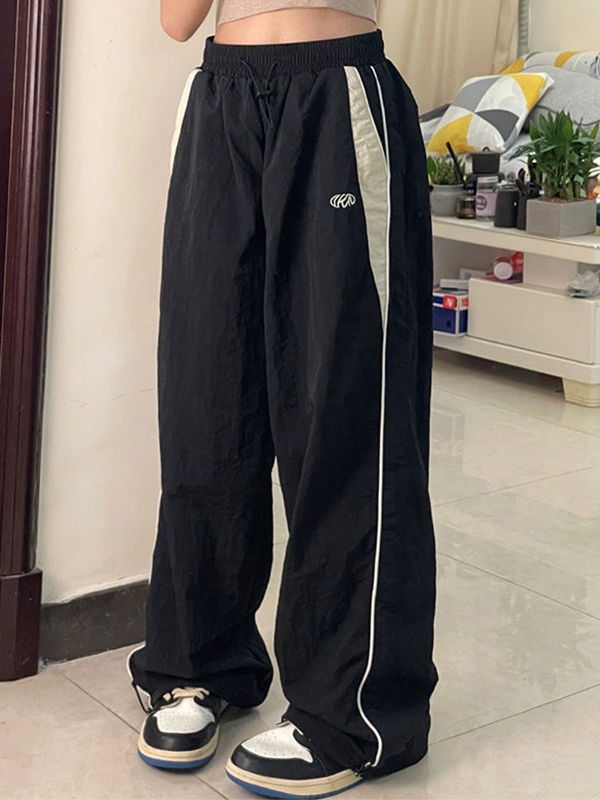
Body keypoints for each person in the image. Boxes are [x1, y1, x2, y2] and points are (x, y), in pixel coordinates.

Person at [127, 1, 439, 797]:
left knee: (346, 414)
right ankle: (202, 665)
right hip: (221, 98)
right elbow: (177, 19)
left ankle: (353, 710)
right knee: (205, 400)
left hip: (338, 92)